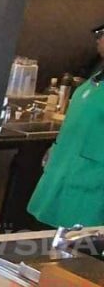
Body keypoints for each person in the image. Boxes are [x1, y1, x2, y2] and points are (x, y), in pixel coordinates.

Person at [28, 22, 104, 228]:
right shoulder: (93, 82)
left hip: (91, 188)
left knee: (79, 253)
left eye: (102, 34)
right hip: (62, 173)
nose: (98, 39)